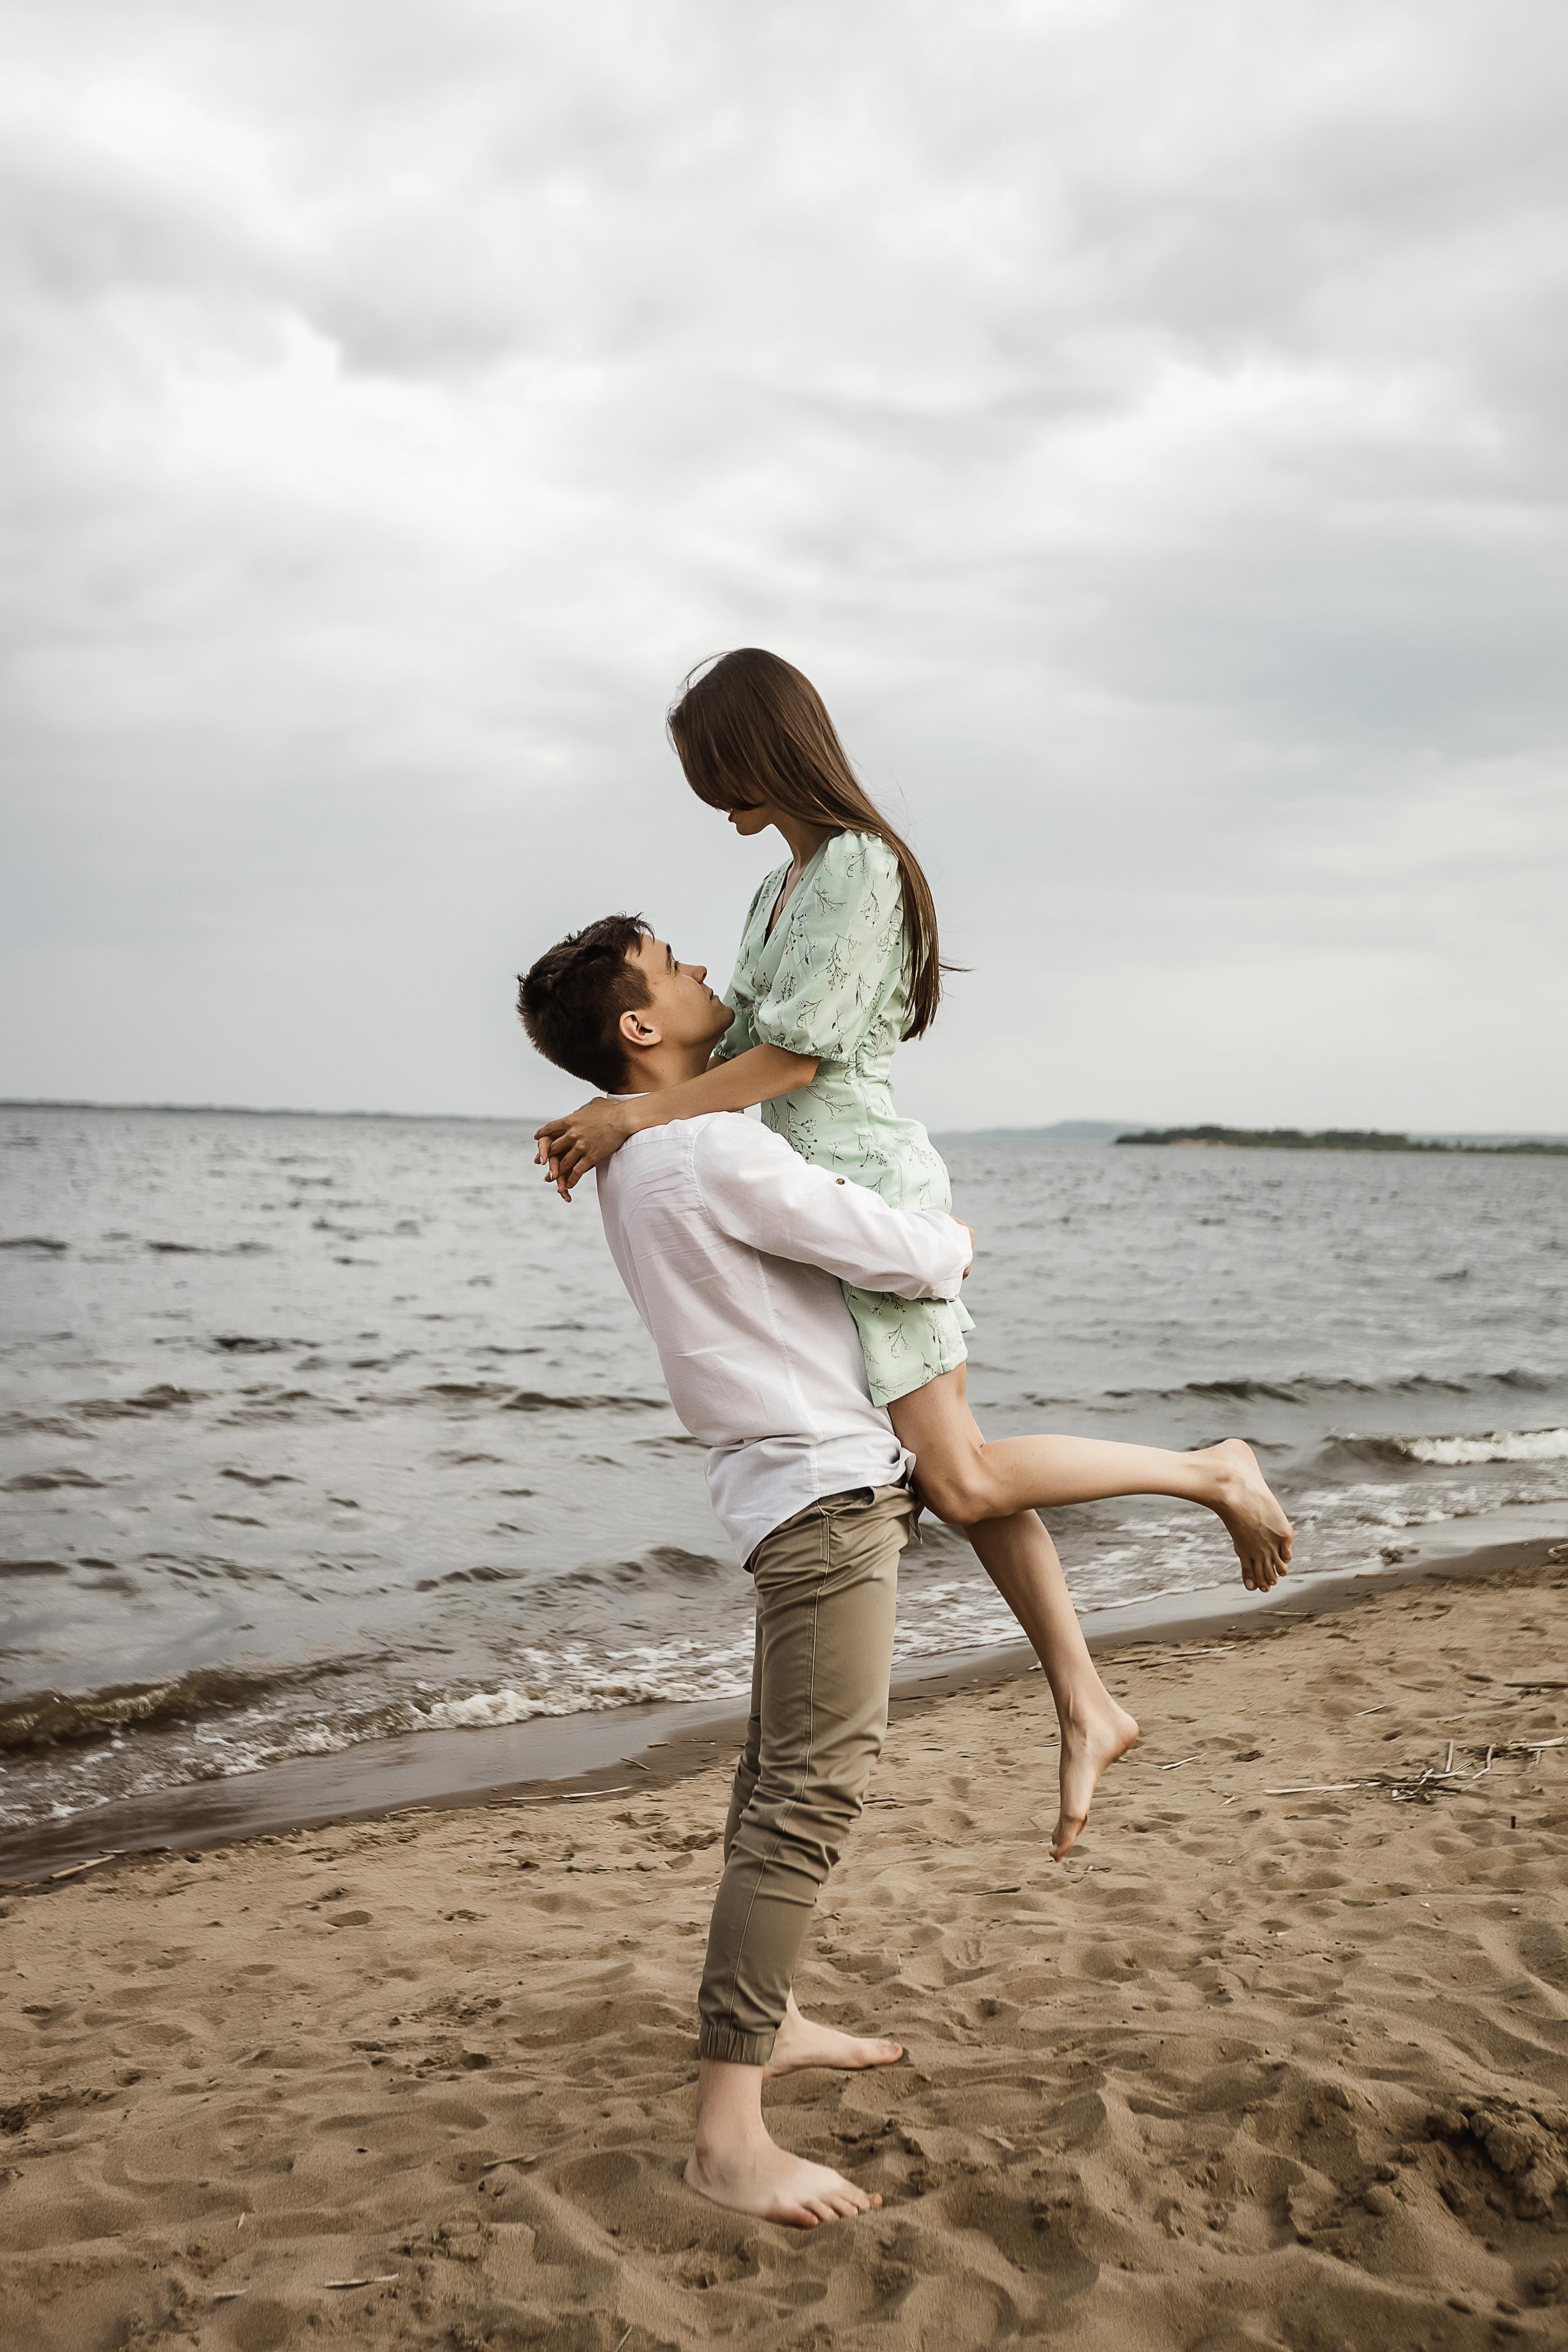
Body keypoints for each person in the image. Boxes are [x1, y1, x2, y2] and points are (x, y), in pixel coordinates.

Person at [533, 650, 1295, 1859]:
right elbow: (720, 1047)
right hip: (802, 1201)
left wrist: (630, 1117)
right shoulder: (777, 889)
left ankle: (1208, 1473)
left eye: (717, 774)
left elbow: (791, 1061)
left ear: (764, 749)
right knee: (962, 1472)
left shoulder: (856, 867)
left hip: (866, 1193)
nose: (714, 803)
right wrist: (616, 1112)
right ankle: (1085, 1703)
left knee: (964, 1479)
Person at [517, 912, 978, 2228]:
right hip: (822, 1493)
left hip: (776, 1493)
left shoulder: (637, 1157)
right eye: (676, 969)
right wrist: (951, 1234)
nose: (706, 973)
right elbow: (905, 1252)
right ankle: (727, 2139)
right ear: (640, 1027)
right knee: (805, 1800)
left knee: (777, 1776)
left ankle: (766, 2024)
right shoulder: (705, 1146)